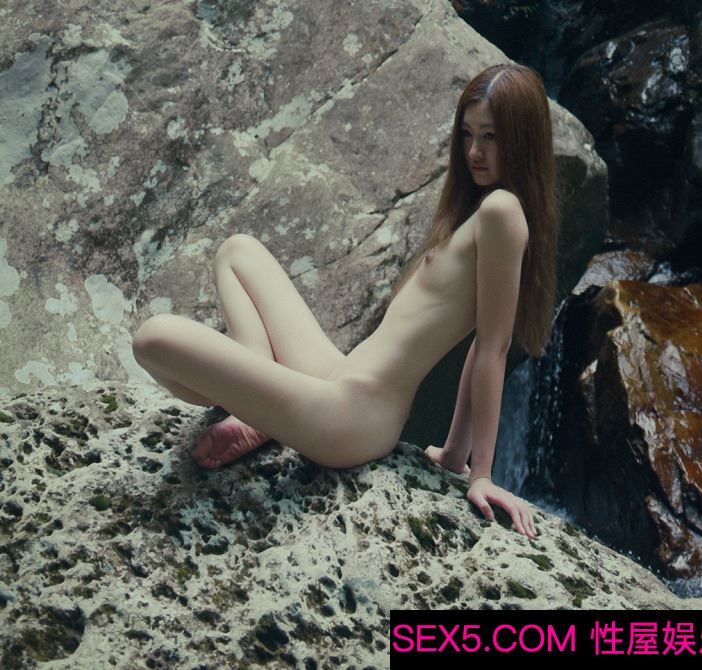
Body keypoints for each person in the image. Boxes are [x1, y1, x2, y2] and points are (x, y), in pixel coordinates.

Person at [131, 62, 561, 538]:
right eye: (467, 134)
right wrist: (453, 454)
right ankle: (256, 410)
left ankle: (259, 409)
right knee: (238, 252)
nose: (475, 151)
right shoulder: (479, 210)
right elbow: (480, 346)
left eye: (491, 137)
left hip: (352, 417)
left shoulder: (502, 211)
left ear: (522, 140)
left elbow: (493, 348)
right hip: (339, 376)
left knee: (153, 338)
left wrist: (481, 474)